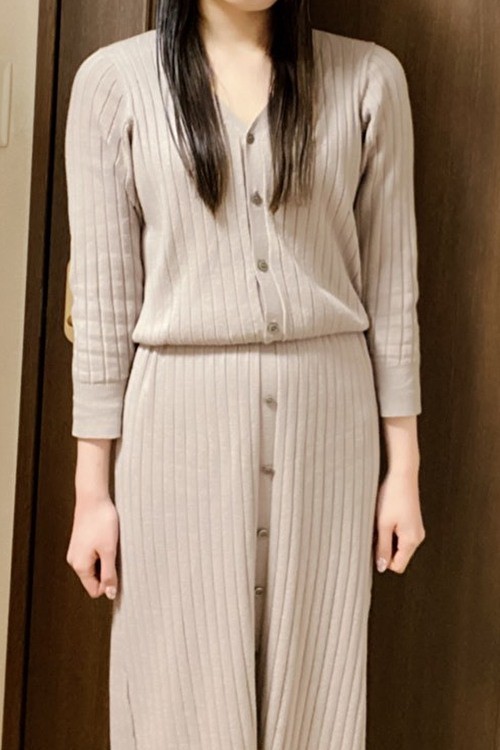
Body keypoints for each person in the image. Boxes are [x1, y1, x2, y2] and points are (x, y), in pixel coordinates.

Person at [64, 0, 426, 747]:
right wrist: (90, 492)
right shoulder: (113, 86)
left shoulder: (370, 81)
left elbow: (393, 290)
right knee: (178, 693)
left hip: (330, 435)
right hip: (177, 439)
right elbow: (102, 306)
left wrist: (405, 470)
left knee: (319, 698)